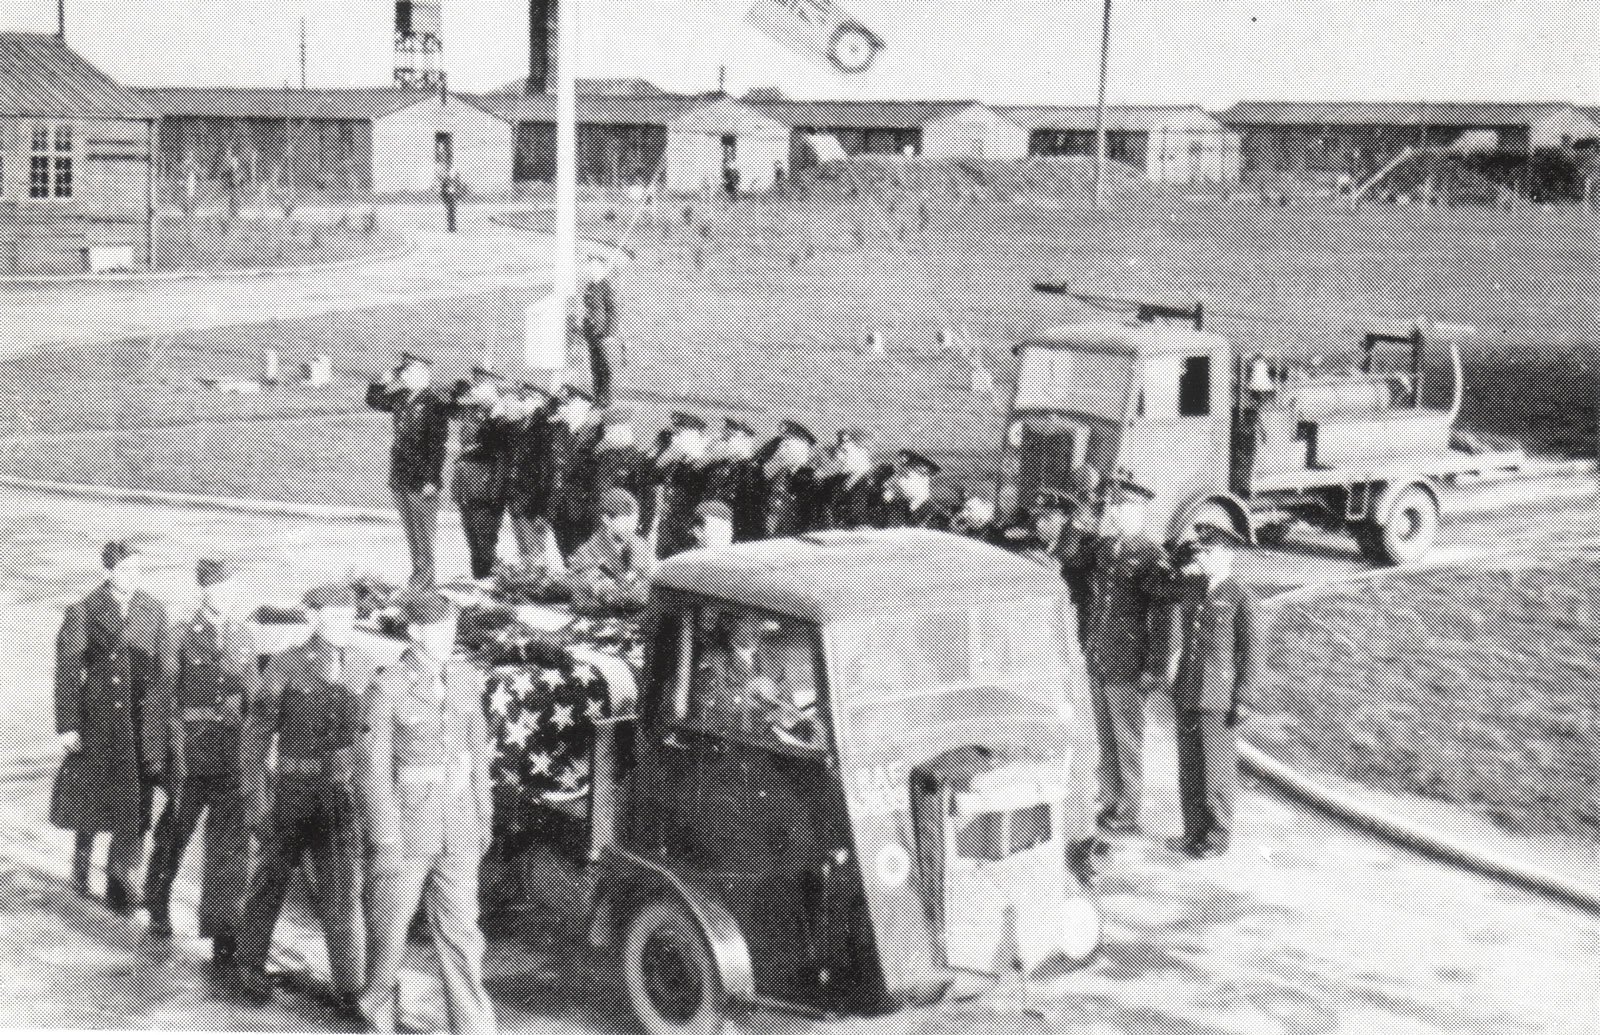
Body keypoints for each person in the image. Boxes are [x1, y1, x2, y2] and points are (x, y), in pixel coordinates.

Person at [357, 591, 496, 1035]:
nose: (449, 636)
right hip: (407, 825)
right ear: (416, 633)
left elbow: (477, 758)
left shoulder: (463, 680)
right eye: (440, 629)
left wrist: (481, 818)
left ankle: (473, 1026)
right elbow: (373, 767)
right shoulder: (387, 687)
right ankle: (378, 1008)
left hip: (457, 824)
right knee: (390, 928)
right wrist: (385, 837)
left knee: (462, 934)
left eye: (452, 627)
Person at [234, 584, 370, 1007]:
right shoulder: (285, 665)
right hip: (290, 794)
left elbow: (369, 740)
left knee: (342, 891)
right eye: (333, 617)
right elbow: (256, 738)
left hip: (339, 797)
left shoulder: (363, 665)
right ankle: (250, 960)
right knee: (270, 881)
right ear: (312, 619)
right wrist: (256, 802)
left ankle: (350, 988)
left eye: (349, 617)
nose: (343, 625)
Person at [143, 557, 258, 963]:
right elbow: (161, 699)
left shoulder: (243, 635)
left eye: (231, 587)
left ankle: (222, 932)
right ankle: (156, 902)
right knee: (175, 836)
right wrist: (157, 755)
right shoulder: (178, 636)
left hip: (231, 757)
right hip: (189, 756)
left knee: (228, 849)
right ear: (203, 590)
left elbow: (254, 699)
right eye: (219, 588)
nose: (226, 595)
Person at [50, 540, 170, 914]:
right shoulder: (84, 610)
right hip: (97, 719)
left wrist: (163, 720)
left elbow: (164, 669)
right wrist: (69, 725)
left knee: (134, 802)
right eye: (124, 570)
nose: (132, 577)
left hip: (138, 721)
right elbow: (68, 671)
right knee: (91, 796)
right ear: (108, 572)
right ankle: (82, 863)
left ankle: (120, 882)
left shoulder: (153, 609)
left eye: (137, 570)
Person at [1082, 476, 1173, 840]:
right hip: (1100, 655)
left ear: (1141, 512)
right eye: (1113, 507)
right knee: (1104, 734)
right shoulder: (1107, 548)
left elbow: (1163, 617)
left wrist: (1155, 667)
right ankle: (1108, 797)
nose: (1117, 514)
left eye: (1124, 508)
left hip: (1129, 661)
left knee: (1128, 738)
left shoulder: (1153, 556)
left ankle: (1129, 809)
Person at [1165, 523, 1258, 860]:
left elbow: (1251, 651)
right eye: (1200, 550)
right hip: (1188, 689)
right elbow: (1164, 580)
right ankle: (1193, 832)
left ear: (1226, 554)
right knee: (1189, 766)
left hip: (1218, 696)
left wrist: (1244, 697)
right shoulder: (1194, 588)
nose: (1201, 556)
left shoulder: (1240, 596)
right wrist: (1180, 559)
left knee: (1216, 769)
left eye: (1208, 551)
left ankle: (1217, 838)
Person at [367, 353, 453, 587]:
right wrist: (379, 381)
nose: (402, 376)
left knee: (423, 531)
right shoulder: (402, 398)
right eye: (402, 373)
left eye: (406, 372)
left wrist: (431, 479)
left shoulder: (434, 402)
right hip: (401, 474)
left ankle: (425, 580)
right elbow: (374, 402)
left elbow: (437, 445)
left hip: (422, 476)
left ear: (421, 374)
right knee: (411, 530)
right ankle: (418, 575)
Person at [449, 368, 516, 579]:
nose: (476, 389)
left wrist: (496, 490)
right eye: (475, 385)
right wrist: (458, 389)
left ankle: (487, 579)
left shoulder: (501, 418)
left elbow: (499, 453)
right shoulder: (474, 411)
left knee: (485, 538)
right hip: (468, 485)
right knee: (473, 538)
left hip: (485, 486)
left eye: (481, 385)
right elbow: (452, 404)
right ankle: (480, 578)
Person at [566, 489, 657, 614]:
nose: (632, 528)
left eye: (635, 522)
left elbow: (654, 578)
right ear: (607, 519)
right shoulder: (585, 553)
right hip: (594, 622)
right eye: (626, 522)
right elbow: (606, 593)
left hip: (634, 621)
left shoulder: (640, 546)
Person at [503, 382, 557, 564]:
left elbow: (548, 472)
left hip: (534, 501)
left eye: (525, 399)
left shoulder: (545, 429)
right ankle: (527, 586)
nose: (521, 403)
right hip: (517, 497)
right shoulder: (518, 426)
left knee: (535, 553)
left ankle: (535, 588)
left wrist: (544, 508)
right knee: (524, 550)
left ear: (538, 401)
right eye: (521, 398)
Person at [544, 385, 599, 557]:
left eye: (569, 403)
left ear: (584, 406)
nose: (563, 408)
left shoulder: (595, 435)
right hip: (559, 507)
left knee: (585, 559)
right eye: (563, 403)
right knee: (567, 556)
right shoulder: (560, 431)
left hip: (582, 509)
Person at [650, 413, 712, 558]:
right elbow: (653, 477)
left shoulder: (705, 467)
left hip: (690, 532)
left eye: (679, 434)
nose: (674, 439)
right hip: (669, 527)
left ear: (694, 435)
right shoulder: (678, 461)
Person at [698, 419, 765, 541]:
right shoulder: (719, 464)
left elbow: (752, 511)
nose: (724, 442)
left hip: (735, 531)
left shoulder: (751, 470)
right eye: (725, 438)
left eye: (729, 438)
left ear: (745, 441)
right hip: (711, 520)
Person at [817, 429, 889, 530]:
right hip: (842, 476)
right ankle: (838, 522)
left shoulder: (857, 450)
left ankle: (859, 523)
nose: (843, 441)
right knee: (835, 498)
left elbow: (864, 466)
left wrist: (852, 480)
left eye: (846, 439)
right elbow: (836, 466)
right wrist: (823, 475)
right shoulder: (838, 450)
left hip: (858, 477)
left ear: (851, 439)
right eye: (841, 438)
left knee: (857, 499)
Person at [759, 420, 820, 539]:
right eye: (781, 446)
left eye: (787, 446)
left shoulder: (810, 478)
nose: (780, 451)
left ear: (803, 447)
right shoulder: (779, 474)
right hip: (775, 537)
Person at [580, 255, 622, 406]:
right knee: (594, 365)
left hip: (603, 332)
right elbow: (588, 307)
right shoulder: (590, 285)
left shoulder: (606, 286)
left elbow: (613, 310)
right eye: (590, 267)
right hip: (591, 331)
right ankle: (597, 397)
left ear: (602, 269)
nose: (591, 270)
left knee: (605, 366)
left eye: (595, 267)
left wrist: (610, 332)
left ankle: (606, 398)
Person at [883, 450, 952, 530]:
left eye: (905, 475)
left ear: (925, 477)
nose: (897, 481)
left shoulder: (938, 519)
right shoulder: (892, 510)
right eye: (898, 475)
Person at [440, 167, 461, 233]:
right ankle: (450, 227)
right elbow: (442, 191)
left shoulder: (455, 182)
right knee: (450, 213)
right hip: (449, 197)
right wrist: (445, 199)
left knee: (452, 213)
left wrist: (457, 196)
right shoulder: (445, 182)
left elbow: (458, 189)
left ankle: (453, 227)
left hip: (452, 198)